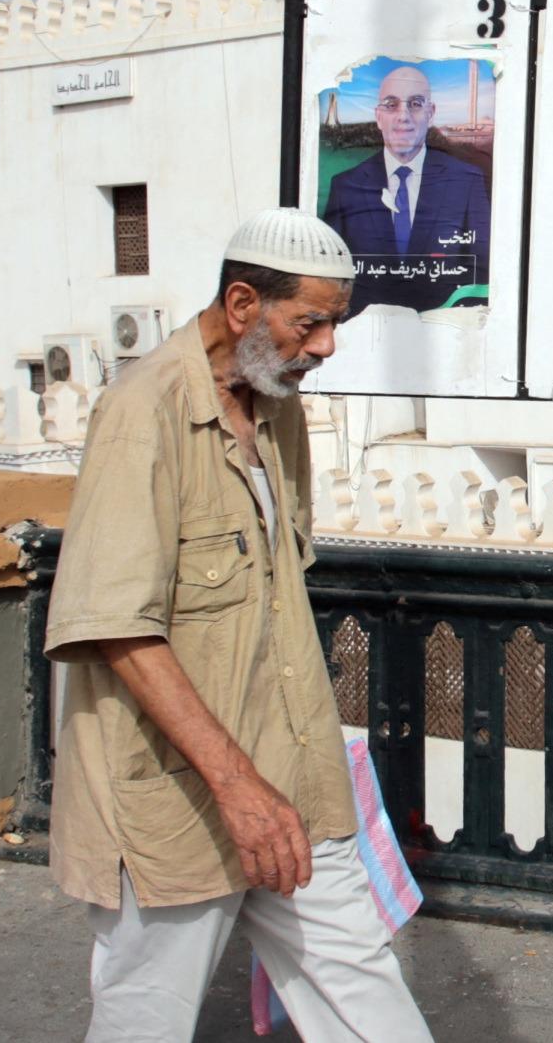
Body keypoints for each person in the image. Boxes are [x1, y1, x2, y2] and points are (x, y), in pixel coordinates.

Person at [44, 208, 430, 1043]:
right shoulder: (142, 412)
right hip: (176, 797)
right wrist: (238, 787)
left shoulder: (276, 404)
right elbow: (116, 627)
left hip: (293, 782)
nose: (326, 345)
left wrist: (274, 784)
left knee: (366, 992)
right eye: (311, 322)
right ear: (244, 302)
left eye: (335, 322)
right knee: (144, 1018)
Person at [317, 64, 490, 314]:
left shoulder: (466, 181)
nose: (403, 116)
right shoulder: (346, 186)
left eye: (416, 104)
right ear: (378, 116)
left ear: (431, 113)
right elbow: (331, 274)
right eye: (391, 104)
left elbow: (482, 271)